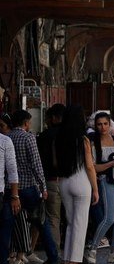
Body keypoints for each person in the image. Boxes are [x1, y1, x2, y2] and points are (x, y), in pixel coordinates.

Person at [8, 109, 60, 264]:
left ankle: (12, 257)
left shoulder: (7, 138)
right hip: (29, 187)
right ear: (25, 123)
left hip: (11, 189)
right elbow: (36, 164)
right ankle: (53, 257)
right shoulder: (28, 138)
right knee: (41, 223)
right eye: (29, 122)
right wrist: (43, 186)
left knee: (12, 224)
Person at [85, 111, 114, 264]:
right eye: (99, 124)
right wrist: (112, 164)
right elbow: (93, 167)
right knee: (109, 217)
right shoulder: (93, 142)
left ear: (110, 124)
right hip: (107, 180)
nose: (103, 127)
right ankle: (92, 249)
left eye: (105, 124)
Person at [56, 105, 99, 264]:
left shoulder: (59, 138)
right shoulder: (83, 139)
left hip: (64, 181)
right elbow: (89, 166)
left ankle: (66, 260)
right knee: (80, 223)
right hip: (81, 181)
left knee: (70, 222)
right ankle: (74, 262)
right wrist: (95, 189)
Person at [37, 103, 65, 250]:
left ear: (53, 118)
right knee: (72, 218)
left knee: (53, 218)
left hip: (51, 181)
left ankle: (55, 252)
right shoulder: (71, 134)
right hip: (71, 180)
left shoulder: (44, 136)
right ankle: (73, 253)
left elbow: (38, 161)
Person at [0, 114, 19, 264]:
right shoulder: (5, 141)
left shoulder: (5, 141)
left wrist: (14, 195)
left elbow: (13, 171)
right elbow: (12, 171)